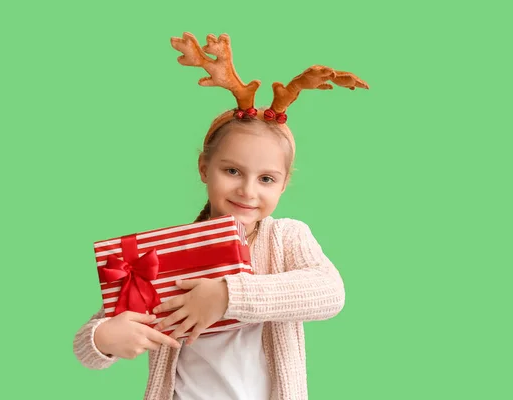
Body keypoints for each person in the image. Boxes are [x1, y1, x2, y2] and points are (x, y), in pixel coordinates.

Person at [73, 32, 368, 400]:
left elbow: (329, 293)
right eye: (232, 171)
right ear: (204, 168)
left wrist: (227, 296)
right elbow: (89, 344)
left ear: (283, 185)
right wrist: (103, 339)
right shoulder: (170, 251)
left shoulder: (286, 238)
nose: (247, 190)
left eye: (265, 179)